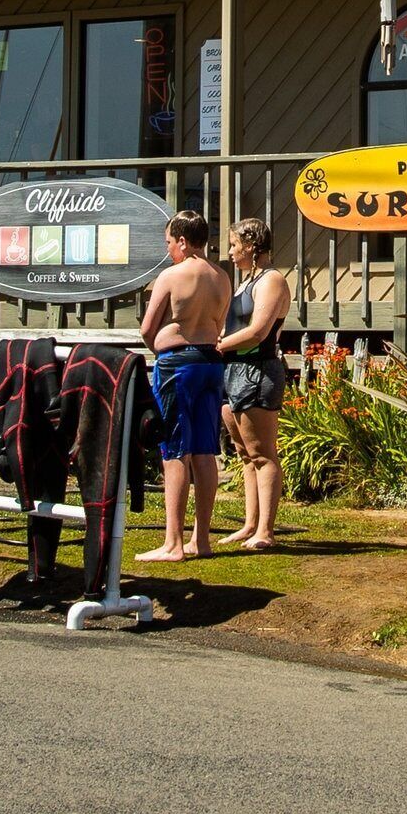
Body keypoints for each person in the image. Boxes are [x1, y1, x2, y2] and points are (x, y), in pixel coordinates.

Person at [135, 211, 231, 563]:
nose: (169, 250)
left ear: (183, 241)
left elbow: (148, 328)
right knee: (205, 451)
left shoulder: (172, 275)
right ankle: (200, 539)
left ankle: (173, 542)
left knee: (174, 451)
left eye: (170, 243)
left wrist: (160, 345)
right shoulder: (222, 277)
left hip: (178, 365)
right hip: (210, 363)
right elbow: (219, 324)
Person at [215, 218, 295, 551]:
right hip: (233, 369)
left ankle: (266, 530)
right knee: (245, 454)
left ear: (251, 245)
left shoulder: (272, 280)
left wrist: (218, 345)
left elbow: (259, 330)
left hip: (257, 371)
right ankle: (249, 525)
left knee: (262, 454)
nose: (230, 251)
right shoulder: (245, 282)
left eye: (234, 245)